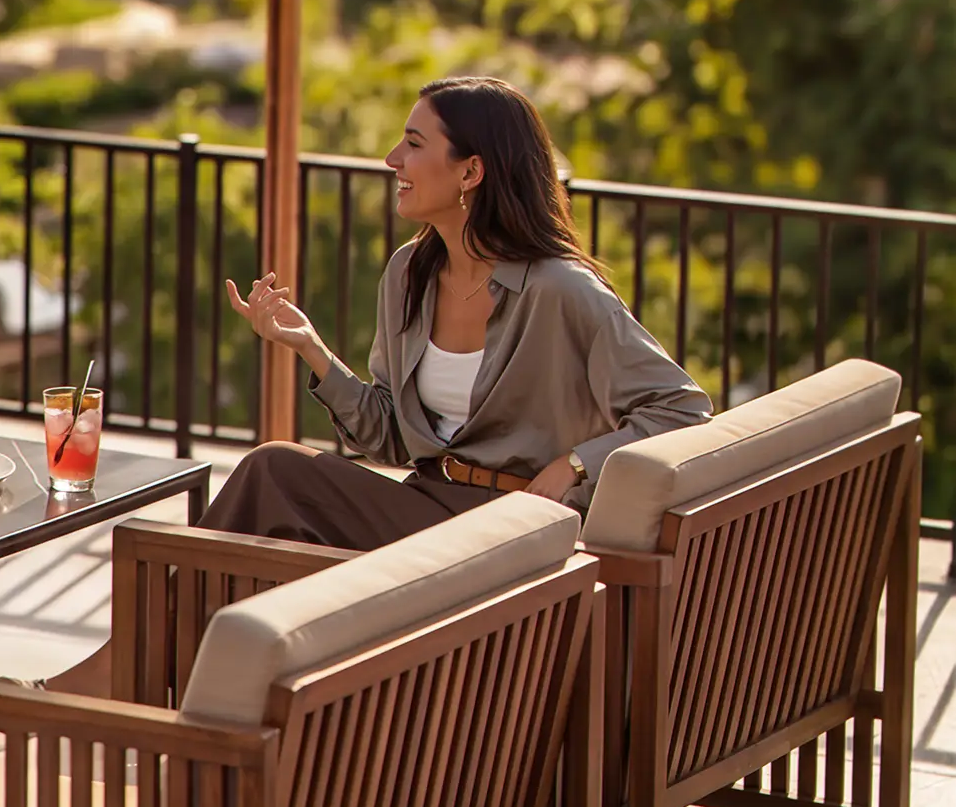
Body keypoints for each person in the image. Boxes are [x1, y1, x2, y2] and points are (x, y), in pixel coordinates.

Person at [208, 76, 709, 546]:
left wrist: (575, 465)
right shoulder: (409, 275)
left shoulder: (561, 290)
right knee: (273, 487)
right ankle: (190, 629)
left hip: (517, 527)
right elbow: (389, 439)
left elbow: (681, 411)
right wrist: (312, 349)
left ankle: (166, 631)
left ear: (470, 171)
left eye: (414, 144)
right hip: (427, 506)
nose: (391, 159)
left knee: (274, 474)